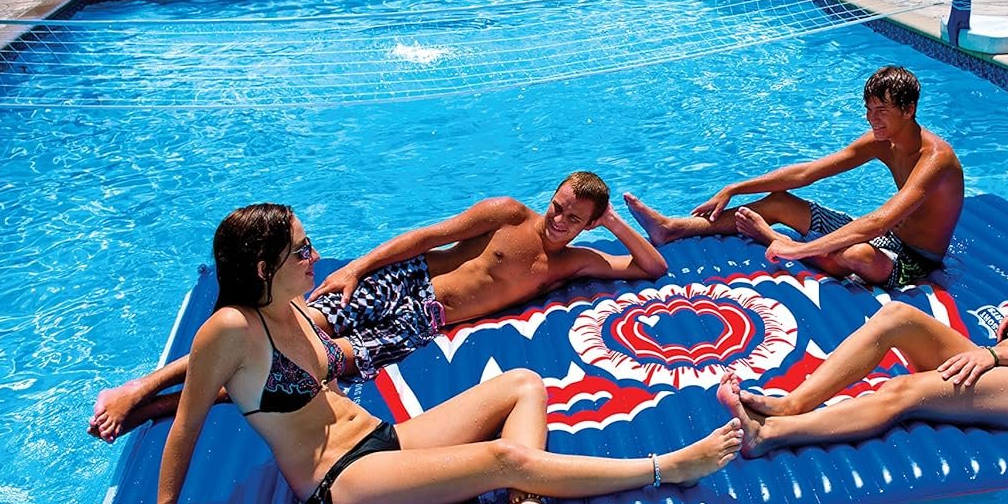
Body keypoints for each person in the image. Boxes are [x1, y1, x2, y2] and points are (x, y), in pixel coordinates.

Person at [105, 204, 742, 504]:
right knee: (501, 457)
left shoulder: (293, 306)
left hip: (381, 440)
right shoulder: (229, 329)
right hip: (340, 482)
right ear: (265, 267)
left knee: (523, 382)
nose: (314, 255)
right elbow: (187, 424)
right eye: (302, 250)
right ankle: (667, 468)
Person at [90, 171, 665, 442]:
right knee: (287, 326)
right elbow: (427, 237)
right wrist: (357, 268)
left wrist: (613, 221)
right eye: (557, 205)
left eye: (573, 217)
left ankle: (154, 410)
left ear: (590, 223)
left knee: (313, 365)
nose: (558, 219)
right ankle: (142, 388)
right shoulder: (509, 214)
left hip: (425, 322)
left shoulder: (573, 261)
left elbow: (650, 268)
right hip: (404, 280)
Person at [715, 169, 1008, 455]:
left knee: (903, 390)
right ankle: (792, 404)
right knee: (896, 316)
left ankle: (769, 435)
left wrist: (995, 354)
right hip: (999, 363)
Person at [623, 66, 963, 288]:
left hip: (915, 258)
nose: (872, 119)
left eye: (882, 111)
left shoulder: (936, 159)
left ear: (908, 110)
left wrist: (793, 248)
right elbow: (806, 173)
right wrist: (734, 187)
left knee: (855, 256)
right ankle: (673, 228)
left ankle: (771, 237)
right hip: (886, 236)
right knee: (780, 202)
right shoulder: (883, 141)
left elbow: (877, 222)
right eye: (869, 109)